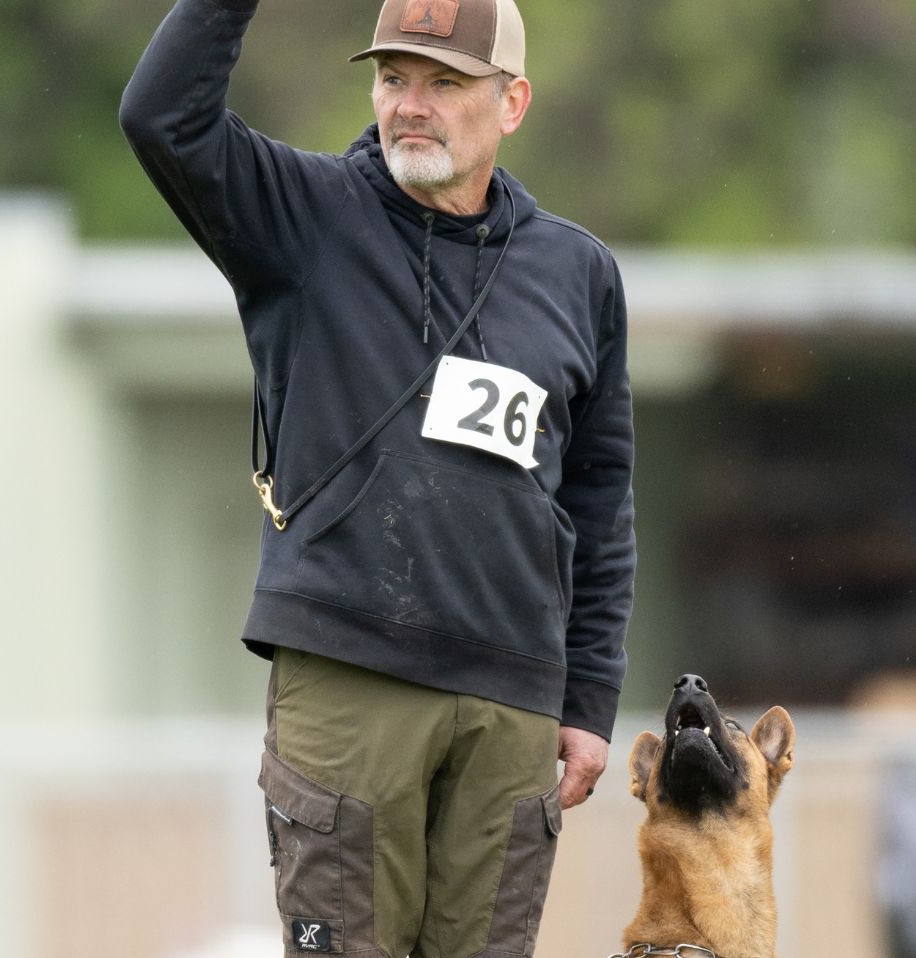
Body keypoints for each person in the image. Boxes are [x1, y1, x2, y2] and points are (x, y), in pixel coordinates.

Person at [120, 0, 635, 954]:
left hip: (512, 700)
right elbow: (162, 119)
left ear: (512, 103)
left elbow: (598, 497)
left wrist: (589, 698)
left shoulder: (579, 272)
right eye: (394, 78)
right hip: (353, 675)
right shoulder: (303, 215)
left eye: (445, 82)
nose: (411, 105)